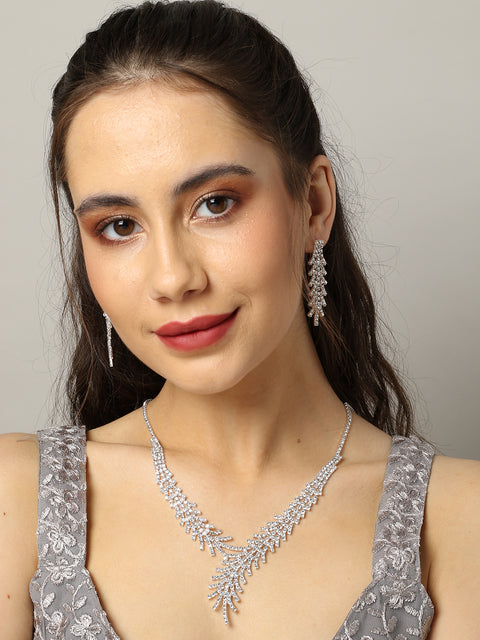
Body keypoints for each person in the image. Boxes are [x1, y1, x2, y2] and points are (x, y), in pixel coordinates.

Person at [0, 1, 478, 638]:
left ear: (314, 203)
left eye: (215, 204)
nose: (173, 278)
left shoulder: (459, 521)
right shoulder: (16, 498)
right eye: (118, 226)